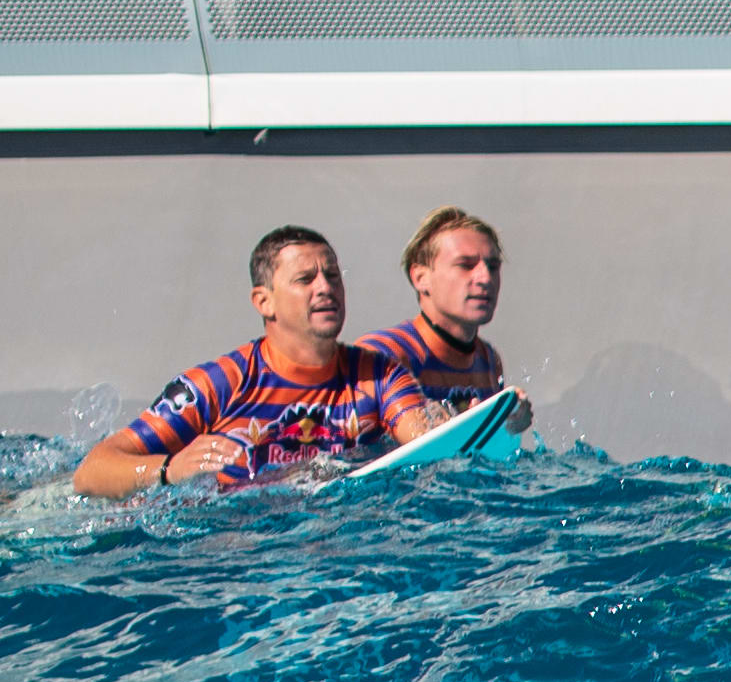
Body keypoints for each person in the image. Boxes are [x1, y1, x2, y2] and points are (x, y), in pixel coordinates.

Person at [70, 226, 454, 496]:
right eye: (305, 279)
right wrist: (170, 470)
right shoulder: (219, 384)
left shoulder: (380, 375)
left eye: (333, 276)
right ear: (263, 301)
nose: (326, 287)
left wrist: (470, 423)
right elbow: (92, 471)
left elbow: (426, 444)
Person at [353, 205, 512, 413]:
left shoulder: (488, 361)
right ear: (421, 278)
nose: (486, 278)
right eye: (465, 265)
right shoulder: (380, 356)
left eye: (493, 267)